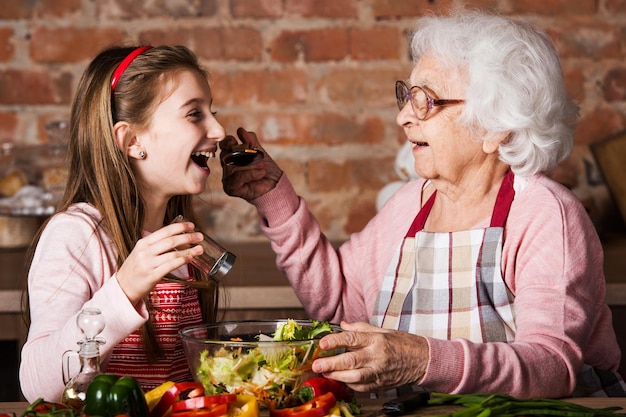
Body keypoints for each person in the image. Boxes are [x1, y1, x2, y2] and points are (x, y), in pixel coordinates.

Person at [221, 10, 626, 398]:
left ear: (495, 126)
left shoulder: (544, 214)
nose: (403, 118)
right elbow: (340, 302)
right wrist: (273, 195)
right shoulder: (410, 204)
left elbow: (551, 367)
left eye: (425, 101)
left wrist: (420, 360)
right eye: (406, 96)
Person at [20, 44, 226, 402]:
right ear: (132, 141)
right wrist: (124, 289)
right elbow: (38, 385)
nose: (219, 130)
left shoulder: (182, 238)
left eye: (213, 112)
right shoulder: (76, 235)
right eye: (195, 114)